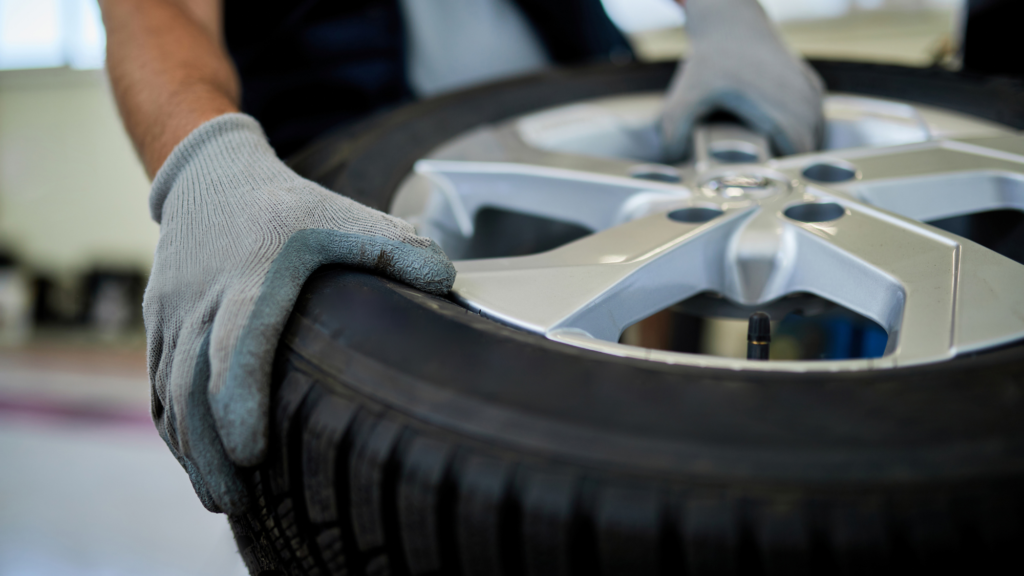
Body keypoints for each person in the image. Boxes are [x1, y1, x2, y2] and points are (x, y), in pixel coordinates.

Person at [97, 0, 823, 516]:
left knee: (646, 477)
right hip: (345, 206)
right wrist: (205, 164)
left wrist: (725, 13)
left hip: (590, 154)